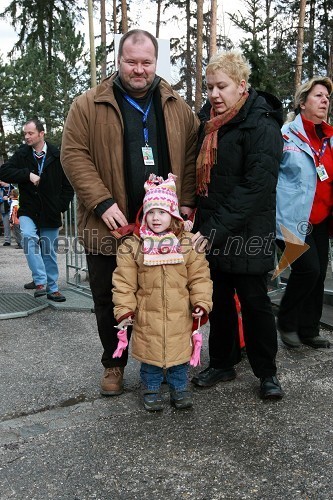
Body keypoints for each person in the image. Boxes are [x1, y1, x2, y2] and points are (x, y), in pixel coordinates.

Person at [61, 29, 198, 396]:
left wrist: (186, 202)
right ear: (118, 61)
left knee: (166, 299)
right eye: (131, 61)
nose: (139, 69)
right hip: (111, 228)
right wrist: (102, 202)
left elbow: (190, 156)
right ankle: (114, 363)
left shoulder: (176, 106)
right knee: (110, 298)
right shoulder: (87, 105)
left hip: (164, 226)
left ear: (156, 62)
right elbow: (73, 155)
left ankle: (167, 363)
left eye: (146, 62)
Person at [191, 50, 284, 399]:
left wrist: (212, 230)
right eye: (209, 87)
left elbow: (256, 187)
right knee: (219, 301)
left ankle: (266, 373)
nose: (214, 94)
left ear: (241, 85)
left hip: (247, 233)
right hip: (213, 231)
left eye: (222, 86)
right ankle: (222, 362)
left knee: (256, 303)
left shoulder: (261, 124)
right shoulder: (208, 123)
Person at [112, 174, 212, 411]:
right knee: (150, 355)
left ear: (173, 214)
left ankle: (179, 388)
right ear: (144, 215)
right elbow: (124, 282)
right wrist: (125, 309)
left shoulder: (186, 244)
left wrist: (201, 301)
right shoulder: (133, 245)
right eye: (151, 212)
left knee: (179, 355)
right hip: (148, 313)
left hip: (180, 313)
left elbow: (200, 276)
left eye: (162, 212)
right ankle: (151, 388)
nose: (156, 218)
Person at [275, 76, 333, 349]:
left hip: (321, 220)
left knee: (320, 273)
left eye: (327, 97)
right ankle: (286, 322)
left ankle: (309, 329)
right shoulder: (285, 135)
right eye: (318, 95)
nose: (325, 100)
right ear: (302, 102)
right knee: (308, 270)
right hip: (292, 219)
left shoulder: (330, 139)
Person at [0, 118, 74, 302]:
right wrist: (27, 175)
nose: (26, 136)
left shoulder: (58, 155)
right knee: (28, 238)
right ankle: (40, 282)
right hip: (28, 210)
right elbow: (4, 172)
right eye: (25, 133)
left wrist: (60, 206)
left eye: (30, 133)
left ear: (42, 134)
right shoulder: (22, 154)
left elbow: (68, 185)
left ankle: (53, 288)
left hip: (50, 210)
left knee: (48, 251)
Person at [0, 180, 14, 246]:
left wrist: (8, 198)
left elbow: (17, 197)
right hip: (4, 210)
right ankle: (7, 241)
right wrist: (1, 199)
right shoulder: (0, 189)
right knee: (6, 226)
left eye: (1, 181)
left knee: (16, 226)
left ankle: (20, 241)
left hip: (14, 209)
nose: (0, 182)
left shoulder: (13, 188)